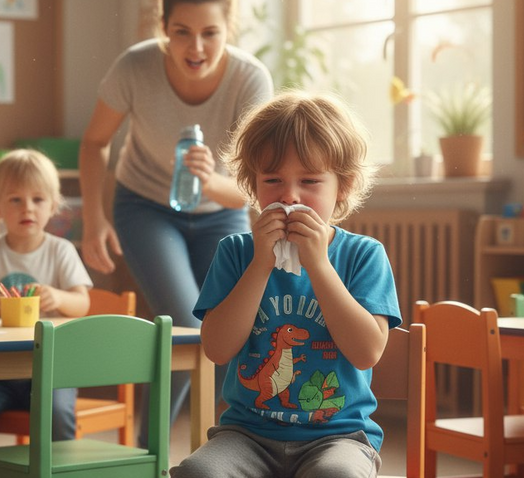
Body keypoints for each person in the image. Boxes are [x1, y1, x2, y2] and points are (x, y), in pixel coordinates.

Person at [170, 92, 403, 478]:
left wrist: (319, 265)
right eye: (272, 180)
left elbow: (366, 352)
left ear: (341, 187)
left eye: (310, 181)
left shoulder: (365, 255)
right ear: (252, 184)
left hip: (339, 436)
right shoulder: (236, 253)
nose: (289, 196)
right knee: (198, 473)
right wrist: (261, 264)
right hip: (245, 434)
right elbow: (217, 348)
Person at [78, 0, 273, 444]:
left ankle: (236, 445)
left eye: (210, 33)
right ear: (163, 27)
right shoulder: (135, 67)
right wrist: (93, 219)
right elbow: (94, 143)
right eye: (181, 31)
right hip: (145, 205)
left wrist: (210, 182)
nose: (196, 47)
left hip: (220, 211)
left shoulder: (250, 79)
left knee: (232, 330)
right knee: (188, 326)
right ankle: (152, 455)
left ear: (229, 31)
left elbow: (260, 185)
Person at [0, 149, 92, 449]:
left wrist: (58, 297)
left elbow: (83, 303)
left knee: (57, 414)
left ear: (53, 206)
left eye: (37, 200)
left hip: (51, 369)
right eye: (15, 199)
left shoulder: (60, 250)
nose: (27, 208)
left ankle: (58, 472)